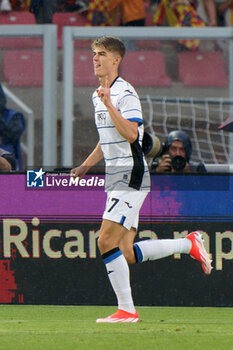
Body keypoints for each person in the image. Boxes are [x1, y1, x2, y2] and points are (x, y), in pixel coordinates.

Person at [71, 36, 212, 323]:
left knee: (104, 241)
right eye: (93, 54)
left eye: (101, 54)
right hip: (117, 174)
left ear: (116, 60)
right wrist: (85, 165)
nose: (95, 59)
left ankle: (127, 311)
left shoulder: (124, 93)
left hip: (130, 173)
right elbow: (106, 139)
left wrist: (110, 106)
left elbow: (133, 134)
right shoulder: (98, 93)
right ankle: (189, 244)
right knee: (125, 252)